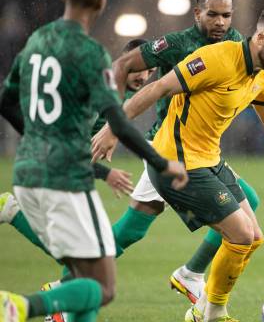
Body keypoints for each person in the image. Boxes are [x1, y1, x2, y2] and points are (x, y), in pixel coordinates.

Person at [91, 5, 264, 322]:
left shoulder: (262, 75)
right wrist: (114, 129)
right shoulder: (215, 59)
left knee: (254, 238)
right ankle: (214, 317)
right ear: (261, 38)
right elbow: (159, 88)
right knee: (239, 234)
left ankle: (203, 306)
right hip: (175, 162)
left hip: (207, 160)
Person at [0, 0, 187, 322]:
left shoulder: (36, 42)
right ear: (101, 1)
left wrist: (34, 134)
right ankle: (15, 306)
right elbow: (118, 117)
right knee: (102, 287)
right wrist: (160, 161)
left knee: (84, 274)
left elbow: (4, 100)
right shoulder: (89, 53)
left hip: (28, 172)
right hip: (65, 180)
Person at [104, 0, 264, 303]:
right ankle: (64, 290)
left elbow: (256, 75)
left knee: (134, 228)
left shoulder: (235, 43)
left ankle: (191, 274)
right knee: (132, 229)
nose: (220, 22)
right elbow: (124, 65)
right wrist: (112, 126)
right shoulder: (177, 43)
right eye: (212, 14)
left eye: (226, 15)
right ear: (197, 12)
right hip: (167, 145)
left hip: (198, 151)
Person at [0, 38, 154, 259]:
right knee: (90, 256)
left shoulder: (123, 93)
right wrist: (106, 173)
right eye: (140, 68)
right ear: (124, 60)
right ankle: (12, 213)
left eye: (150, 71)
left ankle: (12, 212)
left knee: (85, 255)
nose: (144, 76)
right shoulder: (100, 87)